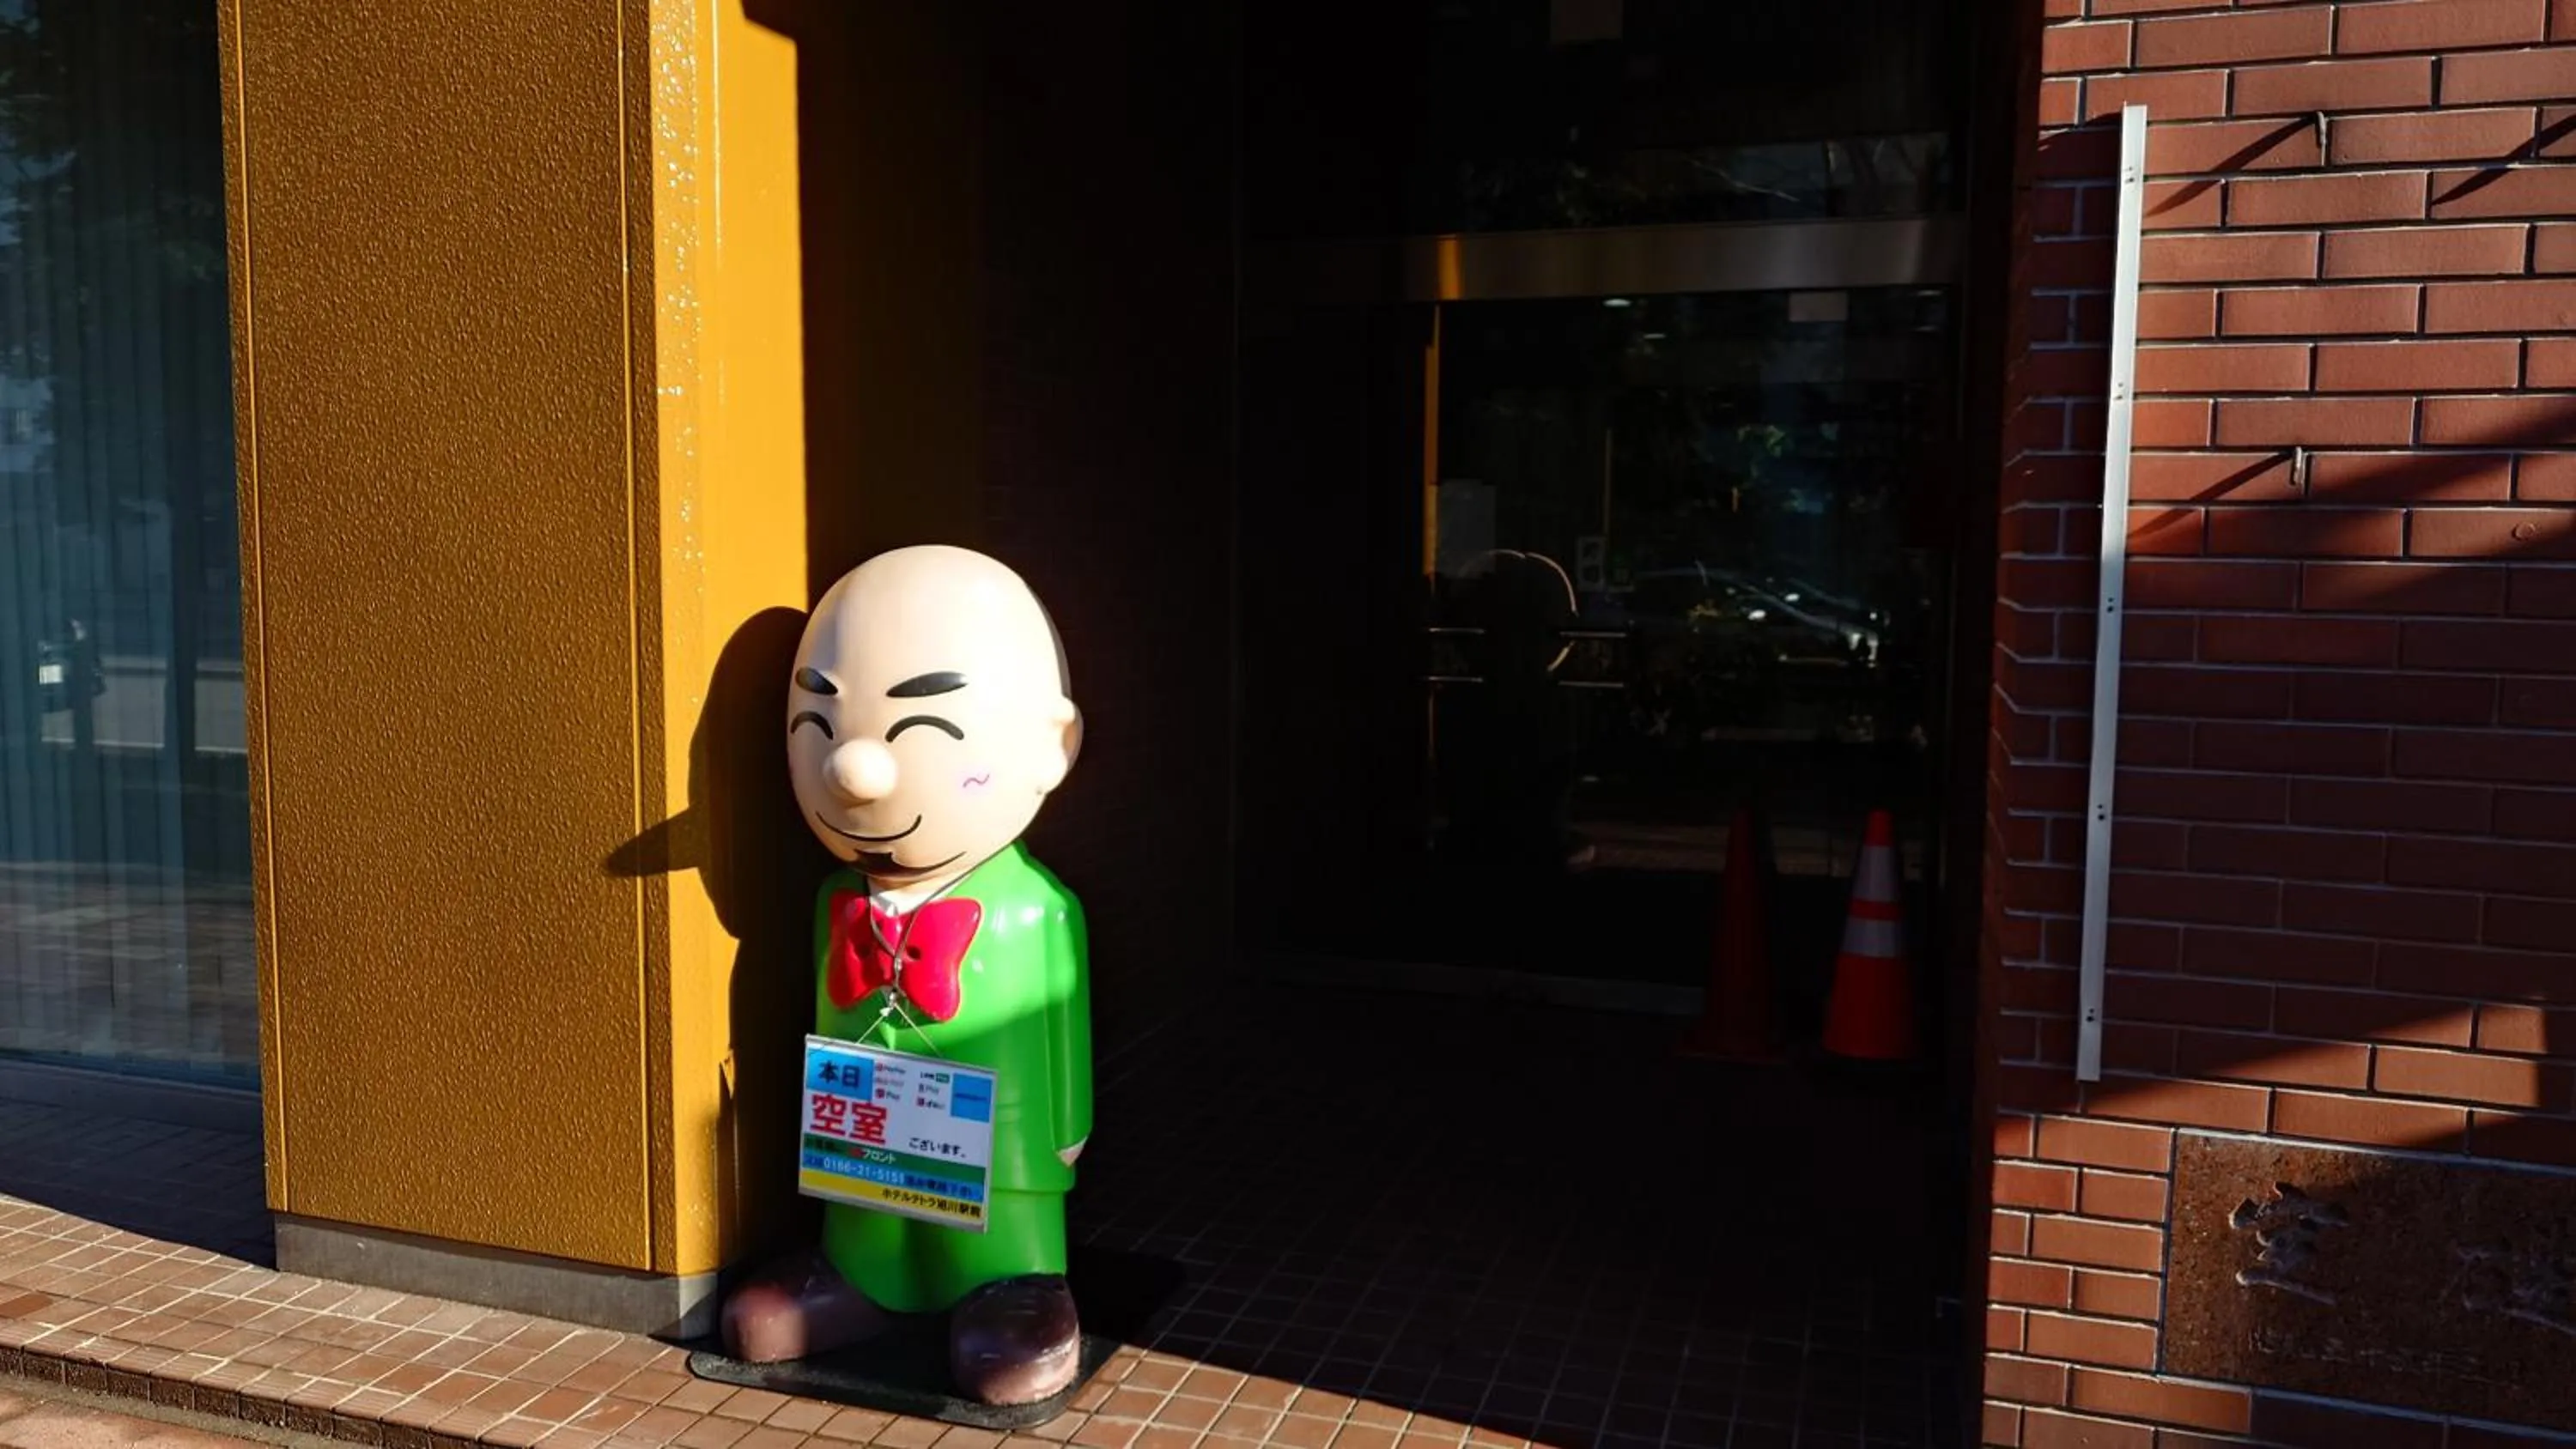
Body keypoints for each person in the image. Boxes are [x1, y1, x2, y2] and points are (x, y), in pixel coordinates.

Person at [720, 545, 1092, 1407]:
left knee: (997, 1223)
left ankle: (1017, 1288)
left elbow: (1062, 1024)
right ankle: (862, 1273)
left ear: (1051, 744)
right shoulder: (830, 901)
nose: (854, 769)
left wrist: (1067, 1129)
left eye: (925, 729)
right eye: (819, 728)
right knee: (866, 1209)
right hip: (867, 1128)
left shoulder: (1036, 907)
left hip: (1004, 1142)